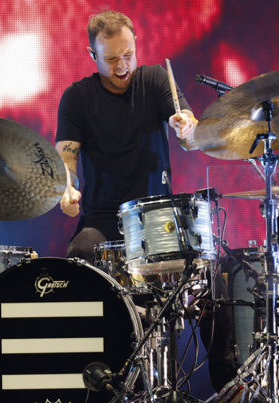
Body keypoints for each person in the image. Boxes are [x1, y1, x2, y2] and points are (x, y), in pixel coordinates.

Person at [55, 10, 198, 261]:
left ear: (135, 43)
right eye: (111, 59)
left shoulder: (156, 80)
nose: (122, 66)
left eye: (128, 55)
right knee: (81, 253)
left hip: (157, 214)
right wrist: (67, 188)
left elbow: (190, 135)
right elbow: (66, 160)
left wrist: (186, 127)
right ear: (92, 54)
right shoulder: (76, 97)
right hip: (102, 219)